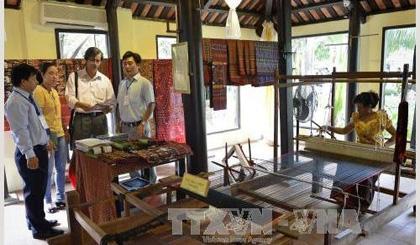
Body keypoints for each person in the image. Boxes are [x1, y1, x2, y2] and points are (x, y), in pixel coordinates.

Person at [5, 63, 64, 239]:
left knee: (36, 190)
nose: (36, 81)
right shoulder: (15, 102)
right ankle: (39, 229)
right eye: (33, 79)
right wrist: (30, 154)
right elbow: (20, 132)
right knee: (34, 192)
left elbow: (39, 122)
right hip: (30, 153)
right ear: (23, 81)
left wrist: (46, 141)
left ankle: (38, 221)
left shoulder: (28, 97)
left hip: (39, 148)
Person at [322, 91, 396, 210]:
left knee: (366, 175)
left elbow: (395, 135)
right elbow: (344, 130)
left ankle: (361, 204)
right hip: (360, 152)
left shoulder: (380, 117)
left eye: (360, 107)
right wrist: (329, 127)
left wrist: (385, 147)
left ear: (369, 106)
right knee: (343, 166)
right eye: (357, 106)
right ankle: (342, 195)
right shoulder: (356, 117)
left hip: (375, 155)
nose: (358, 109)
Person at [33, 62, 70, 213]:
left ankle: (60, 198)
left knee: (61, 168)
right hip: (48, 136)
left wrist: (65, 129)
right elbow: (38, 117)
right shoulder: (38, 91)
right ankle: (48, 200)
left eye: (56, 73)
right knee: (48, 170)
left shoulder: (54, 91)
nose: (55, 76)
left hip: (60, 134)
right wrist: (46, 137)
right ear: (42, 75)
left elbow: (58, 114)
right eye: (51, 73)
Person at [117, 51, 156, 183]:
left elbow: (151, 104)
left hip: (139, 126)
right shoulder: (122, 84)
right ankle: (137, 186)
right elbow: (121, 105)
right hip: (125, 128)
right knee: (130, 159)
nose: (127, 66)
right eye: (124, 64)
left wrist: (143, 124)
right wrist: (119, 122)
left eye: (130, 63)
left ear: (138, 65)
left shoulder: (144, 83)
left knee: (146, 158)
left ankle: (152, 185)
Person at [65, 47, 116, 145]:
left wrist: (109, 108)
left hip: (100, 119)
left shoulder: (105, 80)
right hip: (81, 119)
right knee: (81, 149)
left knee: (102, 148)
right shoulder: (75, 76)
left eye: (97, 61)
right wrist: (81, 105)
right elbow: (69, 97)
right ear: (86, 60)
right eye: (92, 60)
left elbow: (112, 101)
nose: (95, 63)